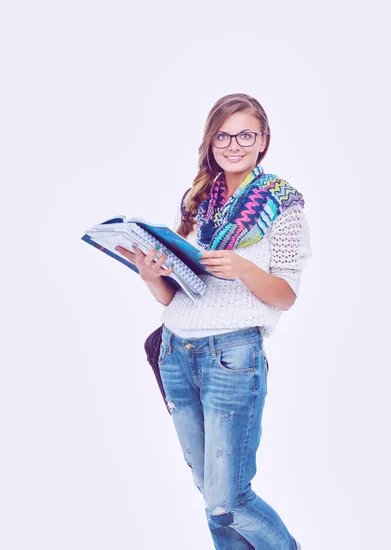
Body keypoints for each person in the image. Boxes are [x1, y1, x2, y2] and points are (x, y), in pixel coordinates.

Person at [116, 93, 312, 549]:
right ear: (211, 142)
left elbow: (286, 297)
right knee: (212, 498)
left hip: (232, 355)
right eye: (223, 135)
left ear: (263, 141)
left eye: (246, 134)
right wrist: (151, 275)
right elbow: (179, 294)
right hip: (175, 351)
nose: (234, 144)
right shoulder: (200, 199)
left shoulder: (283, 205)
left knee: (230, 500)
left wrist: (244, 269)